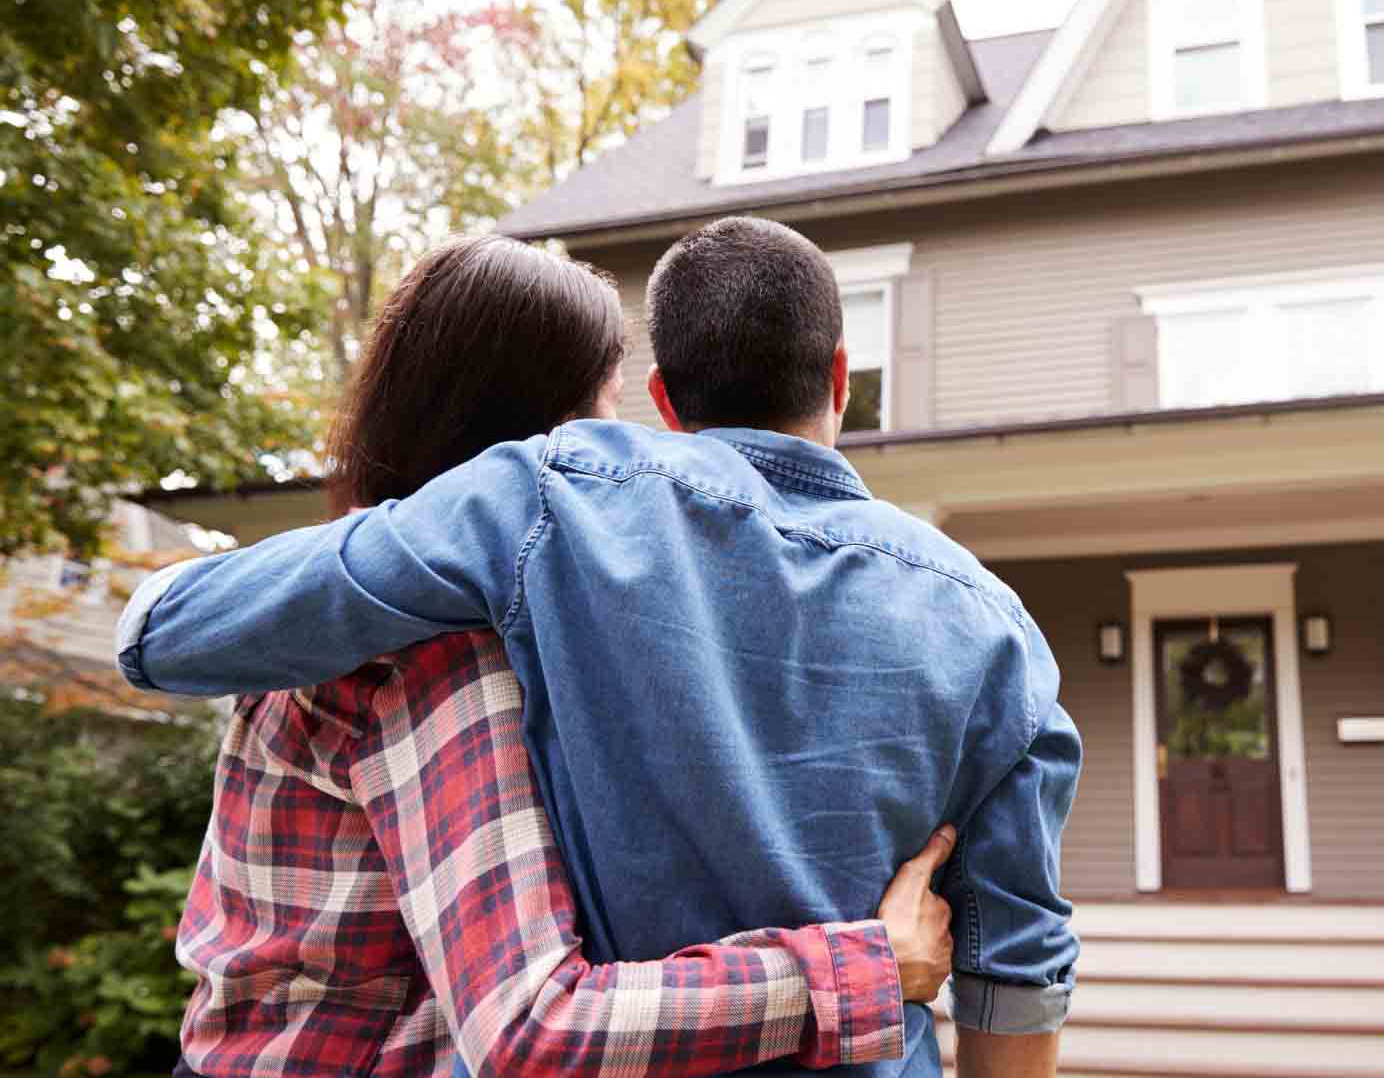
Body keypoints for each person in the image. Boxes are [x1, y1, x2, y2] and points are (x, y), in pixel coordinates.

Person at [119, 218, 1082, 1078]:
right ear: (840, 378)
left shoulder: (540, 508)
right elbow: (1017, 969)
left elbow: (165, 635)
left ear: (663, 398)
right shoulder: (999, 628)